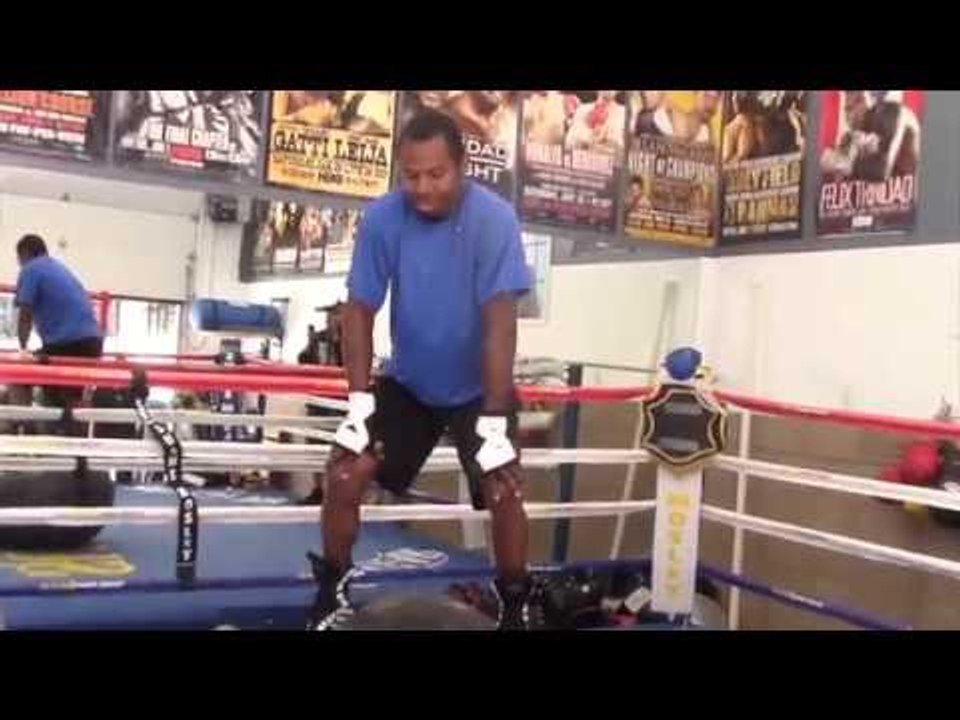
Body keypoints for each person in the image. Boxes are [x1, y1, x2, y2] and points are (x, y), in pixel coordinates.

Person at [308, 109, 534, 631]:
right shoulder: (385, 217)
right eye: (411, 175)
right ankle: (332, 589)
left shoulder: (494, 220)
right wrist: (360, 403)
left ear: (461, 167)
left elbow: (501, 322)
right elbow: (359, 309)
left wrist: (496, 422)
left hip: (480, 388)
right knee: (346, 473)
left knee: (504, 487)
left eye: (436, 175)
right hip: (410, 384)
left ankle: (516, 604)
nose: (423, 188)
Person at [14, 234, 103, 408]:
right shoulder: (58, 268)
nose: (19, 263)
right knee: (67, 401)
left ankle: (19, 425)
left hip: (66, 346)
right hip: (92, 345)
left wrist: (23, 350)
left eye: (19, 259)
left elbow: (25, 315)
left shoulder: (31, 269)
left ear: (25, 253)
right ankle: (65, 427)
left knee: (19, 375)